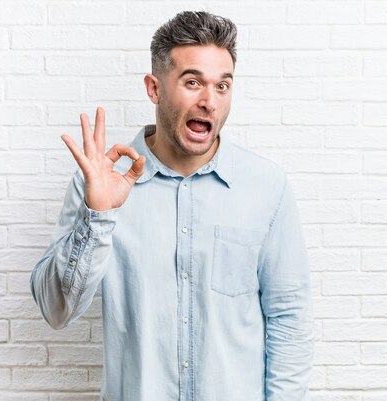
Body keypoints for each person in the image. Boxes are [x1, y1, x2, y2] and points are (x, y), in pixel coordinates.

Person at [30, 10, 313, 401]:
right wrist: (98, 218)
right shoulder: (98, 186)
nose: (209, 102)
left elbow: (289, 320)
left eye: (222, 86)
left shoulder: (266, 188)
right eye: (192, 82)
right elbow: (55, 310)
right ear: (154, 88)